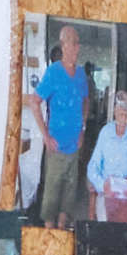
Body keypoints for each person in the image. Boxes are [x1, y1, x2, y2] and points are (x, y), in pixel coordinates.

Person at [31, 22, 93, 227]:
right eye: (73, 43)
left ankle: (62, 229)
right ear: (63, 45)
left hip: (75, 145)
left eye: (78, 44)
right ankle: (49, 234)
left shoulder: (82, 74)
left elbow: (85, 100)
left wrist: (83, 127)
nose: (77, 48)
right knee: (51, 197)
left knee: (69, 194)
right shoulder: (53, 72)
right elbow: (34, 101)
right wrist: (45, 136)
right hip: (56, 147)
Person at [85, 88, 127, 217]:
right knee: (106, 228)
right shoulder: (106, 132)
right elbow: (92, 167)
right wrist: (102, 185)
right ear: (115, 112)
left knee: (124, 229)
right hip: (107, 191)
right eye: (123, 115)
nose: (126, 121)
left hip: (126, 193)